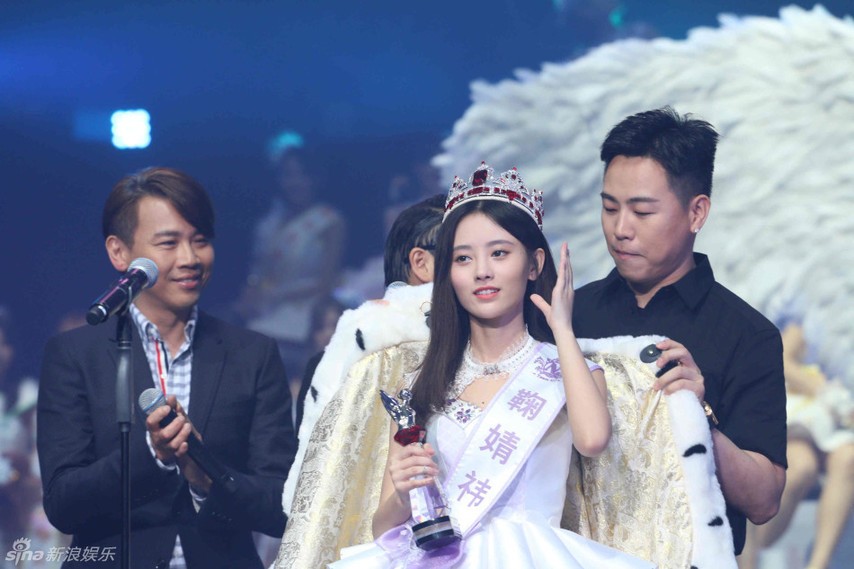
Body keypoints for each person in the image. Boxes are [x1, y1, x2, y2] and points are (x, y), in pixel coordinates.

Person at [332, 163, 654, 568]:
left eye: (499, 253)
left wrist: (563, 329)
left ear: (534, 264)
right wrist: (402, 492)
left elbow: (592, 440)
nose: (482, 271)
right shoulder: (423, 383)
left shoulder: (565, 370)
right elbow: (384, 531)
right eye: (463, 258)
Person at [37, 167, 296, 569]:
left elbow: (281, 508)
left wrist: (205, 477)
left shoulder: (253, 354)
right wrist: (151, 455)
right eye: (168, 243)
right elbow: (63, 505)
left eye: (200, 240)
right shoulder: (74, 355)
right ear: (119, 252)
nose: (190, 258)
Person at [571, 107, 787, 557]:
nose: (620, 229)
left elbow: (764, 500)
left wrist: (697, 412)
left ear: (697, 212)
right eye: (609, 208)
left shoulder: (747, 334)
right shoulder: (570, 315)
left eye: (642, 211)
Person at [275, 194, 443, 568]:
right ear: (421, 262)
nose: (481, 270)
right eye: (463, 255)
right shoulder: (363, 348)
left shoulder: (486, 346)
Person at [741, 322, 854, 569]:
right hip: (804, 416)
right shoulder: (815, 318)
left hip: (841, 428)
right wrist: (825, 391)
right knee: (801, 466)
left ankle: (819, 564)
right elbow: (779, 358)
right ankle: (749, 554)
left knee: (849, 459)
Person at [235, 136, 346, 376]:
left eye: (302, 175)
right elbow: (259, 271)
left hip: (307, 310)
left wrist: (279, 296)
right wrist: (253, 295)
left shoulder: (328, 221)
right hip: (266, 307)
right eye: (288, 175)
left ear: (315, 179)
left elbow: (327, 281)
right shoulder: (270, 221)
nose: (295, 182)